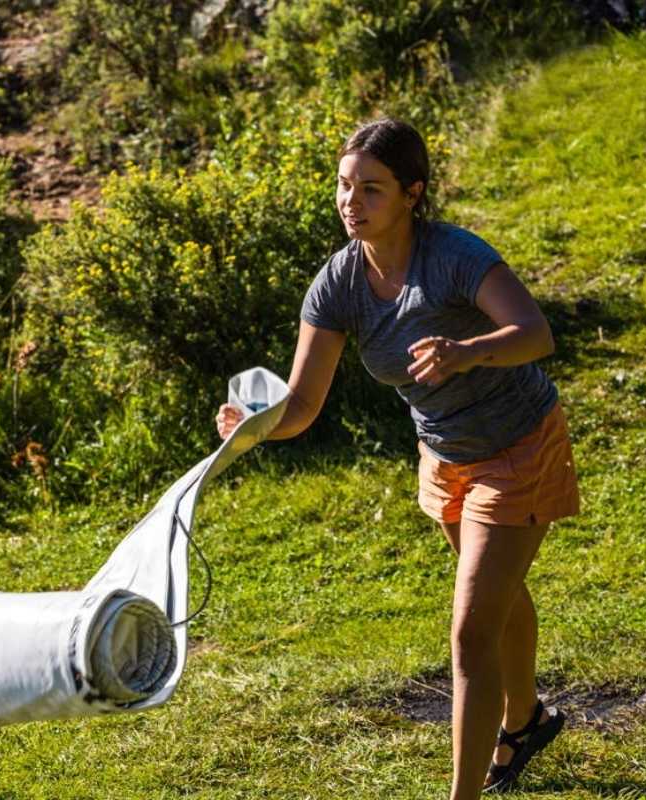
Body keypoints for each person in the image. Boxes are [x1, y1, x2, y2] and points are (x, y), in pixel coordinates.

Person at [216, 117, 579, 799]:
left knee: (472, 634)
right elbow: (302, 406)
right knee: (495, 596)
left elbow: (536, 334)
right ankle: (526, 719)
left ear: (413, 194)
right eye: (345, 186)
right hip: (444, 455)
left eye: (372, 190)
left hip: (520, 445)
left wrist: (467, 350)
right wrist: (253, 429)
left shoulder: (455, 257)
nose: (352, 202)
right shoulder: (338, 283)